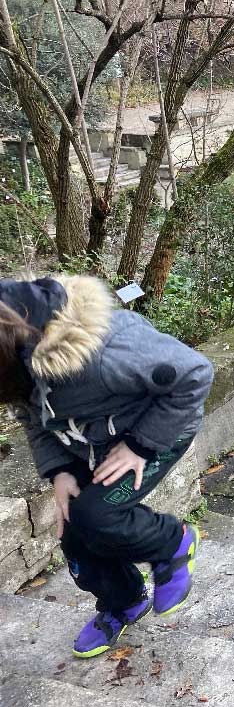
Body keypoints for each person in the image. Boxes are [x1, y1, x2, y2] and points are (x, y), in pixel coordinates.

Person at [0, 275, 214, 659]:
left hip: (158, 431)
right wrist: (58, 470)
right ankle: (126, 601)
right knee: (75, 539)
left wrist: (140, 445)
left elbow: (195, 374)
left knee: (97, 514)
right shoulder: (15, 363)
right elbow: (32, 416)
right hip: (89, 443)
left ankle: (173, 542)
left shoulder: (107, 349)